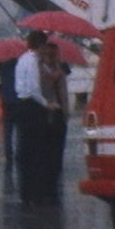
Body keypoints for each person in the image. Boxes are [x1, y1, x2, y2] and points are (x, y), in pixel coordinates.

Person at [14, 30, 51, 207]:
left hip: (21, 104)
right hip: (33, 106)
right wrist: (46, 103)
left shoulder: (22, 59)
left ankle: (25, 193)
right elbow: (34, 88)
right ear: (41, 45)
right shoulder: (34, 62)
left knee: (25, 151)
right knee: (37, 151)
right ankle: (37, 193)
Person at [41, 41, 70, 201]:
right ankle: (46, 187)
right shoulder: (40, 70)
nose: (52, 57)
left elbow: (64, 93)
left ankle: (54, 185)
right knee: (47, 152)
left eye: (54, 53)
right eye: (49, 53)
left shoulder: (62, 69)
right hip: (46, 114)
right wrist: (52, 77)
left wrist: (66, 113)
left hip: (60, 115)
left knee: (58, 152)